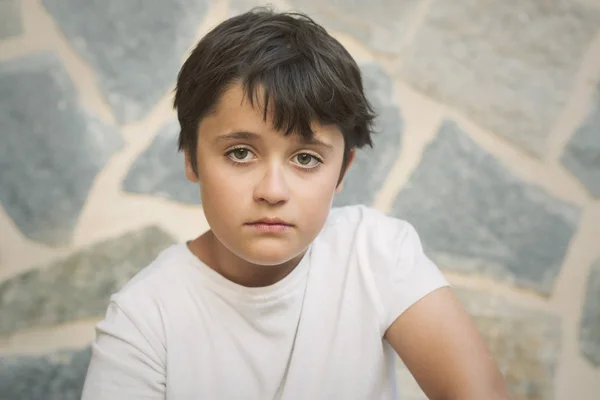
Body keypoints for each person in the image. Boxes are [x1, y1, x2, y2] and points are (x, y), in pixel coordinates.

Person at [81, 8, 512, 400]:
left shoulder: (375, 254)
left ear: (342, 171)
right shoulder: (144, 318)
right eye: (240, 153)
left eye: (306, 158)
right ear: (192, 158)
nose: (272, 190)